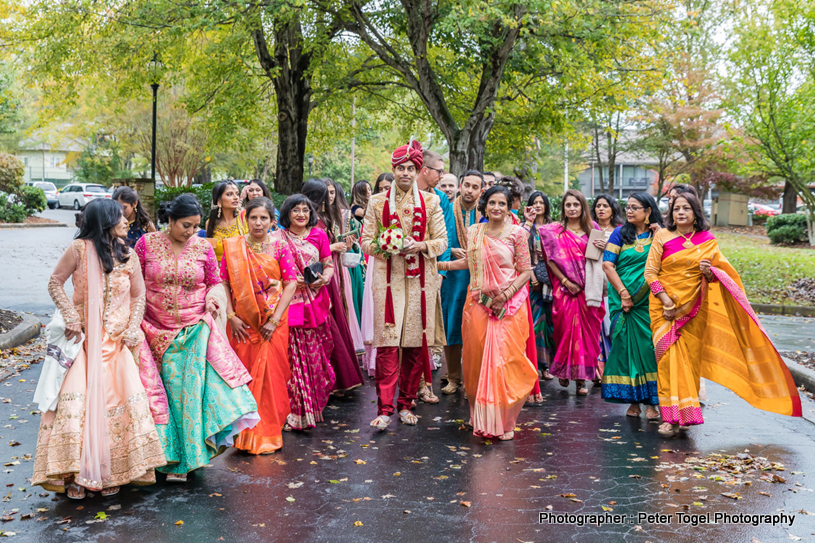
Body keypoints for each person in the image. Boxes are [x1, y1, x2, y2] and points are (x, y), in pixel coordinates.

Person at [33, 199, 165, 499]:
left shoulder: (128, 255)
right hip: (82, 342)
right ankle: (77, 474)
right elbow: (55, 283)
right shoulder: (78, 249)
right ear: (105, 220)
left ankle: (111, 472)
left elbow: (139, 296)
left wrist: (132, 330)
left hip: (117, 343)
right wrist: (70, 316)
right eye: (120, 216)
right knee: (78, 405)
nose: (126, 221)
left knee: (113, 404)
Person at [644, 192, 801, 436]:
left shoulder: (707, 241)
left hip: (694, 310)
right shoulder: (662, 236)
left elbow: (720, 276)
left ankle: (685, 414)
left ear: (696, 213)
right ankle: (669, 418)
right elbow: (650, 273)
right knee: (667, 363)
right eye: (676, 209)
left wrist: (708, 273)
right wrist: (666, 302)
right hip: (664, 310)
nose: (681, 213)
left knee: (690, 362)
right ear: (671, 213)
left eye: (686, 208)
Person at [136, 194, 259, 482]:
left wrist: (213, 301)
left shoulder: (203, 246)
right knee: (158, 397)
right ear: (170, 220)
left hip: (193, 331)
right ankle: (160, 457)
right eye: (185, 226)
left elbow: (215, 282)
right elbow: (134, 281)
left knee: (187, 398)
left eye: (194, 227)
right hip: (151, 330)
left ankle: (187, 462)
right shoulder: (146, 244)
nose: (191, 232)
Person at [360, 140, 448, 430]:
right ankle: (385, 409)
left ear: (418, 171)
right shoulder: (376, 202)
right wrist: (388, 245)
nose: (406, 173)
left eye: (411, 168)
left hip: (421, 281)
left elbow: (442, 242)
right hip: (387, 280)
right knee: (387, 346)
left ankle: (406, 404)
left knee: (413, 344)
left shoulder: (432, 202)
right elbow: (366, 243)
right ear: (393, 170)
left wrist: (419, 245)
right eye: (401, 169)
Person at [439, 185, 537, 441]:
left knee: (505, 361)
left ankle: (504, 420)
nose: (496, 208)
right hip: (478, 304)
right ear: (485, 206)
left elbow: (525, 271)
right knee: (477, 359)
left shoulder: (516, 233)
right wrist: (439, 264)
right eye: (492, 203)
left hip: (509, 306)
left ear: (508, 207)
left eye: (501, 204)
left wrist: (504, 295)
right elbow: (470, 264)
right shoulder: (474, 232)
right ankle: (480, 414)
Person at [220, 198, 298, 454]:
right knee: (245, 376)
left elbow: (291, 282)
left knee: (272, 378)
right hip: (243, 323)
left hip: (273, 323)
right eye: (254, 217)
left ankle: (268, 434)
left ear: (272, 220)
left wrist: (274, 320)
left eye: (264, 218)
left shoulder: (279, 247)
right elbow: (224, 283)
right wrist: (231, 315)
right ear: (245, 218)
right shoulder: (233, 247)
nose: (258, 223)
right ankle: (243, 436)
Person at [273, 195, 337, 430]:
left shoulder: (319, 235)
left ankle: (311, 406)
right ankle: (293, 411)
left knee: (315, 356)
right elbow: (270, 271)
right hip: (289, 303)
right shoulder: (276, 238)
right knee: (291, 358)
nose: (301, 214)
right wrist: (288, 282)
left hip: (315, 302)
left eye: (305, 210)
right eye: (296, 210)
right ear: (287, 213)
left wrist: (324, 279)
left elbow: (328, 264)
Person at [600, 193, 663, 420]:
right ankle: (634, 401)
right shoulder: (620, 233)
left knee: (648, 350)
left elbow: (665, 265)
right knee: (624, 349)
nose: (629, 211)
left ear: (648, 211)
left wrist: (659, 237)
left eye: (635, 207)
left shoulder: (660, 235)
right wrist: (624, 294)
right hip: (622, 300)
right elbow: (608, 265)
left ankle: (651, 403)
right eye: (627, 207)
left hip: (648, 302)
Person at [539, 189, 605, 396]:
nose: (572, 208)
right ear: (563, 208)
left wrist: (605, 247)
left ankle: (581, 380)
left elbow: (597, 259)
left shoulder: (592, 229)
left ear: (583, 207)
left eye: (576, 204)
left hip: (589, 291)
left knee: (588, 336)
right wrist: (566, 281)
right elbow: (551, 260)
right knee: (565, 331)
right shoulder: (554, 231)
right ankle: (564, 371)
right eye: (568, 205)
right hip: (566, 291)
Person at [301, 179, 365, 393]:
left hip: (329, 273)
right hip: (313, 275)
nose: (327, 198)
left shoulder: (325, 218)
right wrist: (332, 246)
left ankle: (336, 377)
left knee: (334, 321)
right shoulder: (306, 219)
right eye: (323, 195)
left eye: (330, 194)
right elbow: (307, 248)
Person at [414, 148, 455, 403]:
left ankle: (424, 385)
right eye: (439, 170)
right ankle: (404, 388)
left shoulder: (440, 199)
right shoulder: (400, 196)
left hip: (431, 271)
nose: (442, 175)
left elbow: (446, 239)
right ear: (425, 170)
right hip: (401, 272)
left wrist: (441, 271)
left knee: (427, 331)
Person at [440, 170, 483, 395]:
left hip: (478, 276)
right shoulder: (447, 209)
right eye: (466, 185)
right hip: (453, 275)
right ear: (460, 185)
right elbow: (440, 236)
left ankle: (473, 379)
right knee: (452, 322)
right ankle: (454, 377)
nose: (469, 190)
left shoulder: (484, 213)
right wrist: (450, 250)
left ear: (480, 190)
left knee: (477, 327)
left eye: (475, 187)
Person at [360, 174, 393, 377]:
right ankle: (375, 360)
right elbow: (367, 238)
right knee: (376, 304)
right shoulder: (373, 208)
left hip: (399, 262)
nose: (384, 192)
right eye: (380, 188)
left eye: (388, 187)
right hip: (377, 259)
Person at [591, 194, 624, 383]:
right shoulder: (589, 229)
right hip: (594, 285)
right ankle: (597, 372)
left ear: (613, 209)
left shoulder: (621, 231)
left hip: (613, 286)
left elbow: (626, 258)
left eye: (605, 206)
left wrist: (609, 247)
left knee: (611, 329)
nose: (601, 209)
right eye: (597, 206)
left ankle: (613, 371)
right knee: (595, 331)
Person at [523, 191, 555, 382]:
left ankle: (547, 366)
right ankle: (534, 365)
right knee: (536, 325)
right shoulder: (525, 228)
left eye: (541, 203)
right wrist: (533, 277)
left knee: (550, 325)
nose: (538, 206)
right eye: (534, 202)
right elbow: (522, 255)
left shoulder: (554, 227)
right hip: (531, 281)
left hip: (551, 283)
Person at [199, 180, 247, 264]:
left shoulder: (244, 218)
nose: (236, 197)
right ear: (219, 201)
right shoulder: (210, 223)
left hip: (242, 271)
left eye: (237, 194)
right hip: (219, 274)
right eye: (229, 194)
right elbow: (211, 255)